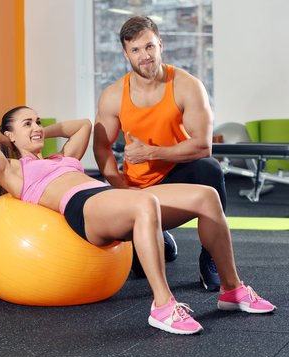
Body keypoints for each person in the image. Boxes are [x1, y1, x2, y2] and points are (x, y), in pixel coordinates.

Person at [0, 106, 276, 336]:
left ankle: (232, 291)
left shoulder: (63, 158)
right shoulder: (12, 170)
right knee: (145, 201)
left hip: (107, 198)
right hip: (83, 208)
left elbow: (83, 125)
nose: (36, 126)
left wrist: (39, 131)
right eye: (27, 122)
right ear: (8, 134)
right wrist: (6, 138)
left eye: (38, 120)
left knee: (206, 196)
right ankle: (163, 305)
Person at [93, 16, 225, 291]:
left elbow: (203, 146)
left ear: (160, 45)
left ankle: (210, 256)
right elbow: (101, 147)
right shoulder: (113, 94)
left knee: (209, 168)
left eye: (149, 47)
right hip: (138, 187)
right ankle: (159, 234)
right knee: (140, 273)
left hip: (179, 173)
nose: (145, 56)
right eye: (136, 50)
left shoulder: (187, 85)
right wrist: (119, 187)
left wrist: (151, 152)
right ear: (125, 53)